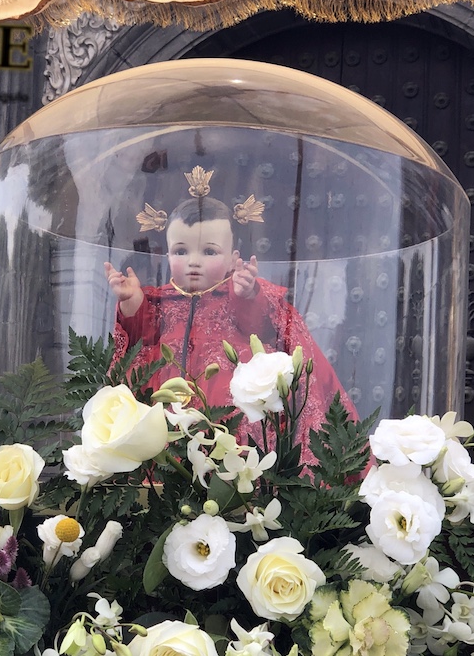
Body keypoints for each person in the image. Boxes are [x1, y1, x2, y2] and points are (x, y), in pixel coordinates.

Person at [105, 193, 358, 465]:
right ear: (166, 254)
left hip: (232, 418)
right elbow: (139, 341)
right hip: (167, 412)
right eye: (181, 251)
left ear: (232, 257)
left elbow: (265, 329)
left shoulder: (237, 294)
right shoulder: (159, 299)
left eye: (209, 251)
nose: (193, 261)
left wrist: (247, 294)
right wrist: (132, 303)